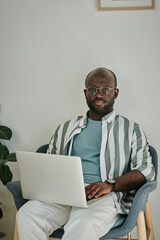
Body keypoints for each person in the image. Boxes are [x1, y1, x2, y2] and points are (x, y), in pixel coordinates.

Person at [17, 67, 155, 240]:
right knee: (27, 215)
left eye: (105, 89)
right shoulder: (65, 128)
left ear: (116, 92)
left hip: (106, 196)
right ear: (85, 93)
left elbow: (146, 170)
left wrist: (110, 184)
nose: (98, 95)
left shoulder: (131, 129)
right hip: (64, 194)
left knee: (83, 224)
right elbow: (50, 164)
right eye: (93, 89)